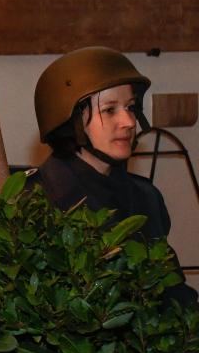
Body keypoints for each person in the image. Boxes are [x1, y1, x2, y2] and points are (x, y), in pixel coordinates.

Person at [32, 46, 197, 306]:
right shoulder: (31, 204)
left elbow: (174, 299)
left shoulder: (146, 198)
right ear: (70, 121)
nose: (129, 122)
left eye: (130, 107)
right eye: (109, 110)